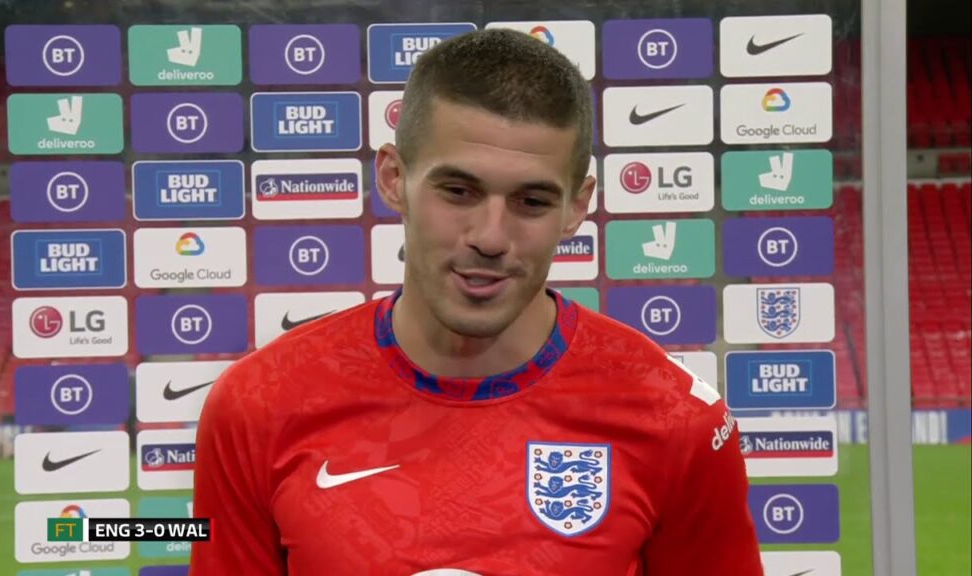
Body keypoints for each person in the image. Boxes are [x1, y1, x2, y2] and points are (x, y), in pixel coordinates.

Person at [190, 28, 763, 575]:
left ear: (577, 206)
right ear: (394, 178)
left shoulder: (675, 418)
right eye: (459, 191)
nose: (490, 236)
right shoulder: (260, 404)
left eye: (532, 201)